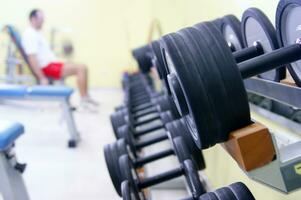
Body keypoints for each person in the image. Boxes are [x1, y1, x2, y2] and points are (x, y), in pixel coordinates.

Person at [22, 9, 98, 111]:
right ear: (33, 19)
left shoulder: (37, 33)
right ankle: (84, 101)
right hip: (46, 67)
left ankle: (86, 97)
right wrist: (42, 77)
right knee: (81, 68)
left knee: (82, 67)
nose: (43, 21)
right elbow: (32, 58)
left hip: (52, 64)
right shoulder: (29, 34)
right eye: (41, 19)